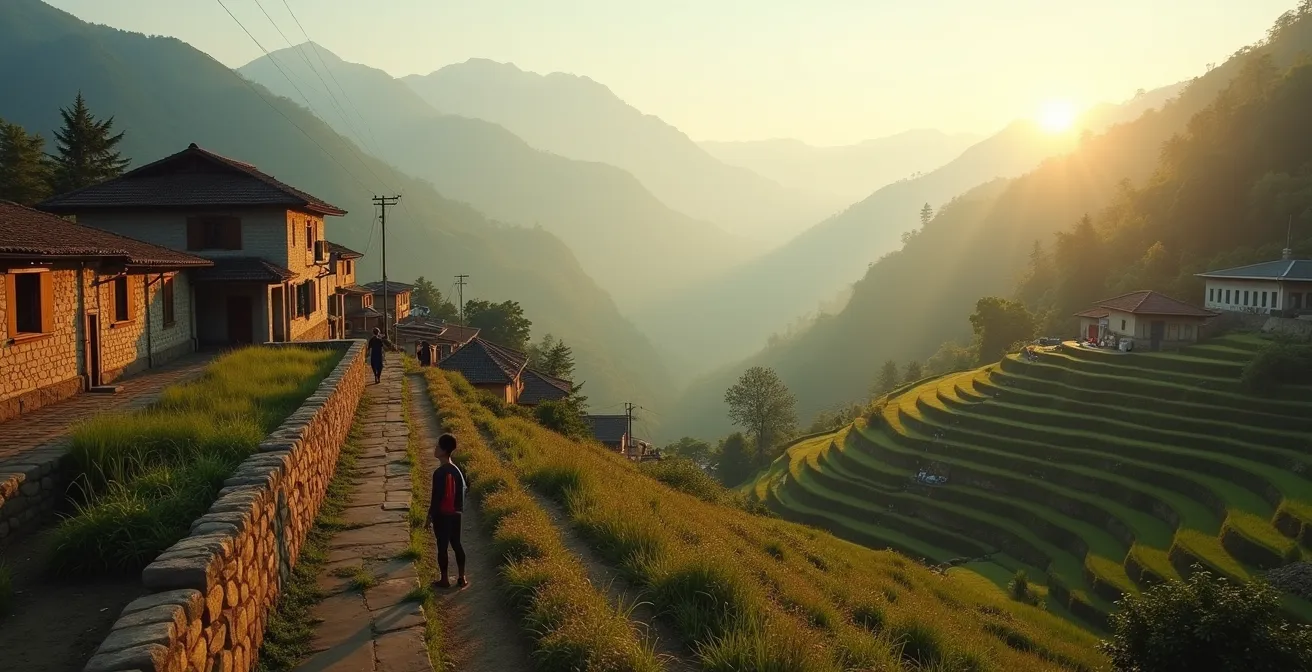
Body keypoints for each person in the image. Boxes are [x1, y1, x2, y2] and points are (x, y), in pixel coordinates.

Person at [426, 433, 468, 588]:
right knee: (457, 544)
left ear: (443, 451)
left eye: (437, 446)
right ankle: (462, 577)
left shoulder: (439, 473)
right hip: (456, 513)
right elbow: (465, 488)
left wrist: (430, 516)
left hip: (442, 515)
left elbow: (436, 498)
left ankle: (444, 579)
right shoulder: (458, 469)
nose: (435, 448)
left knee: (442, 547)